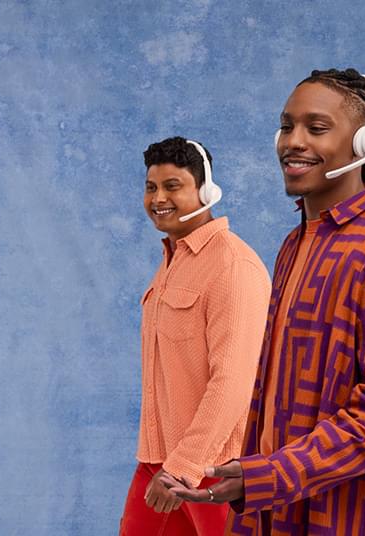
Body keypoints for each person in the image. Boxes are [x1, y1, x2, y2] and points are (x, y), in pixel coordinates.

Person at [172, 69, 365, 536]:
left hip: (354, 520)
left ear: (363, 144)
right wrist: (256, 478)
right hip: (271, 515)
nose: (292, 142)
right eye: (287, 126)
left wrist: (270, 476)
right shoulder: (294, 245)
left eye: (316, 128)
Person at [119, 136, 270, 535]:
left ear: (206, 191)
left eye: (173, 186)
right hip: (157, 460)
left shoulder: (233, 267)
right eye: (151, 187)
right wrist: (164, 466)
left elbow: (234, 383)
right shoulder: (171, 264)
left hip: (212, 471)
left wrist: (182, 469)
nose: (158, 198)